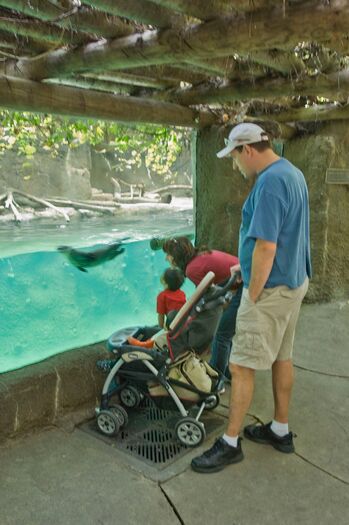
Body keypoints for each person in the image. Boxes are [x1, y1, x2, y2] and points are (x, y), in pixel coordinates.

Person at [191, 122, 311, 473]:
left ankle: (229, 443)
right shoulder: (292, 172)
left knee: (240, 366)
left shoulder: (271, 183)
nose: (234, 165)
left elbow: (266, 244)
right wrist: (245, 267)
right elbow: (288, 234)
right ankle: (280, 429)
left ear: (247, 150)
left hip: (271, 291)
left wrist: (253, 293)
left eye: (234, 157)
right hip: (293, 281)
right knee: (281, 357)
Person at [162, 237, 242, 379]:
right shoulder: (200, 256)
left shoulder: (192, 269)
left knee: (222, 334)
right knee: (226, 333)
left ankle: (217, 377)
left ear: (176, 256)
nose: (166, 258)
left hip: (244, 284)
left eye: (168, 254)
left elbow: (210, 297)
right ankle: (226, 371)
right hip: (242, 279)